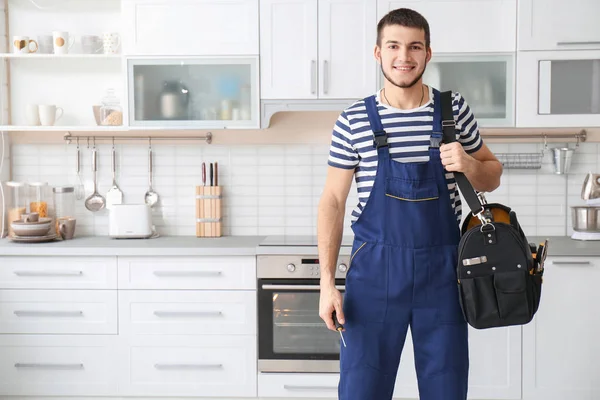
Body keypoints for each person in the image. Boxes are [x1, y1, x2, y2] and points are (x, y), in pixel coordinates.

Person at [317, 7, 503, 400]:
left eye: (415, 46)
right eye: (394, 46)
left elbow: (492, 174)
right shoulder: (353, 119)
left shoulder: (454, 112)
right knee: (361, 389)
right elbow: (333, 201)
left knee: (446, 388)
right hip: (373, 274)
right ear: (378, 53)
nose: (404, 56)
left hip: (443, 273)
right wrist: (326, 283)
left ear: (428, 53)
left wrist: (469, 164)